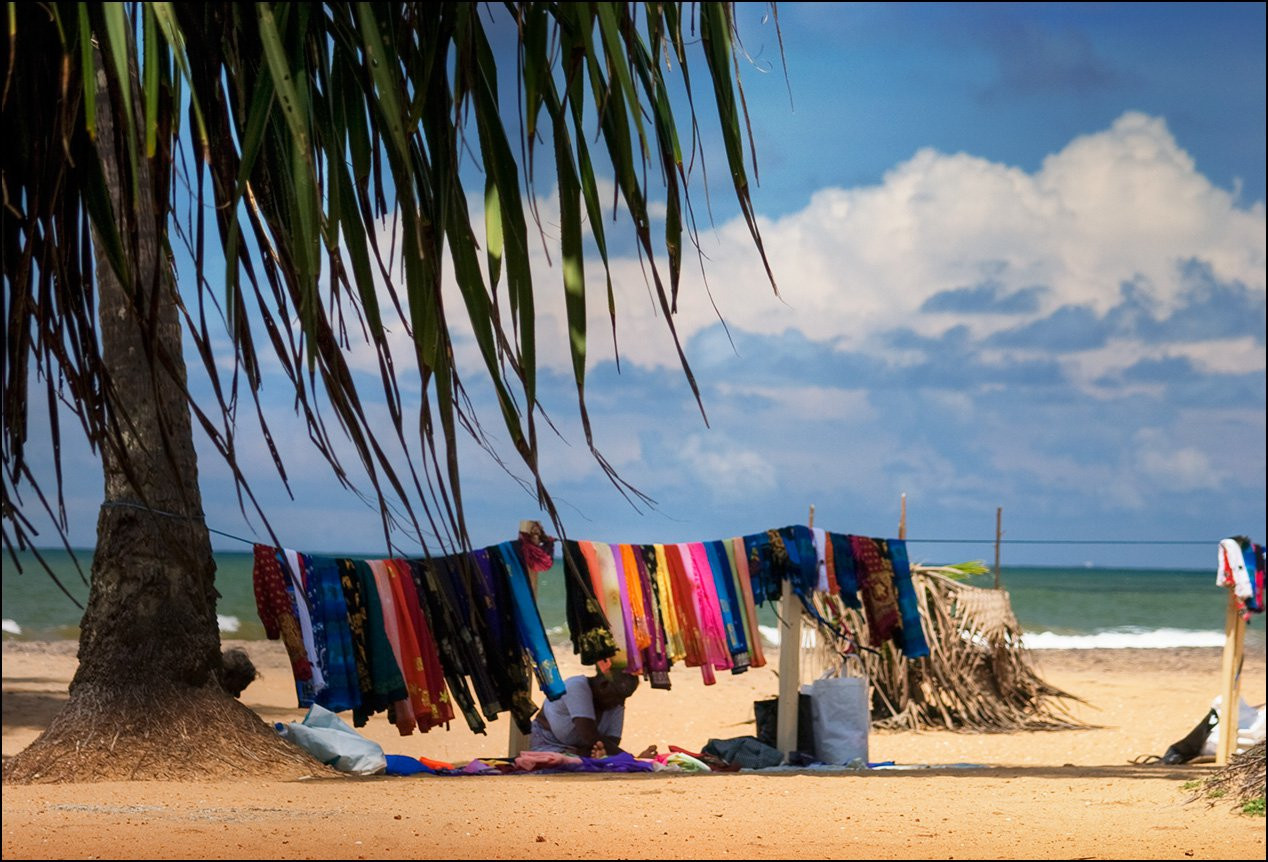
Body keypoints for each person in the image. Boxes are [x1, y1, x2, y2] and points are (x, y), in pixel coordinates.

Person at [530, 666, 655, 758]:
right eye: (618, 696)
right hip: (548, 744)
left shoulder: (616, 701)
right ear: (603, 685)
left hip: (580, 751)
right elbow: (589, 735)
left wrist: (601, 751)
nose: (620, 703)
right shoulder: (576, 687)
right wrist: (632, 759)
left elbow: (612, 741)